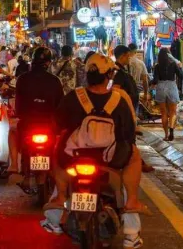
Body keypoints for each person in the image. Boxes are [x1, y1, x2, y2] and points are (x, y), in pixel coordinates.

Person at [50, 53, 144, 235]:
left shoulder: (73, 97)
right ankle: (132, 201)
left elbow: (57, 125)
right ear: (109, 75)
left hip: (75, 156)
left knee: (56, 151)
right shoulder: (119, 100)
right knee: (134, 155)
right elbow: (127, 134)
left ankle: (60, 195)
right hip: (109, 156)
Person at [6, 47, 65, 174]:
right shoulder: (55, 81)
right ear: (48, 63)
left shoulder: (22, 79)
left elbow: (19, 106)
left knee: (12, 132)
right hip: (50, 124)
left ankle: (14, 165)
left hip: (28, 123)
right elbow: (60, 106)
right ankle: (59, 168)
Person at [152, 48, 183, 141]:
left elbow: (155, 80)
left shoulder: (157, 66)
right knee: (173, 112)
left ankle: (166, 135)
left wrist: (151, 85)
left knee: (163, 113)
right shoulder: (173, 64)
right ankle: (172, 130)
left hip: (161, 87)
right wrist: (180, 67)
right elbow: (182, 76)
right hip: (171, 86)